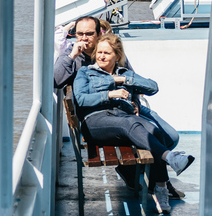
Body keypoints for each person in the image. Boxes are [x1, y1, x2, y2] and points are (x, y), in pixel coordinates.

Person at [54, 16, 184, 199]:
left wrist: (136, 103)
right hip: (100, 115)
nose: (83, 38)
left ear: (98, 34)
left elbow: (134, 81)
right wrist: (71, 56)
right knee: (142, 132)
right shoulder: (74, 57)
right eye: (79, 34)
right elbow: (57, 80)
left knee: (170, 136)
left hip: (127, 108)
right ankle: (156, 182)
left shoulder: (111, 50)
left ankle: (133, 171)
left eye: (89, 34)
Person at [72, 34, 194, 213]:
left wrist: (123, 80)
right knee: (129, 123)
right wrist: (109, 94)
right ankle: (170, 158)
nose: (101, 56)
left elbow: (153, 87)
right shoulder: (86, 72)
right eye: (99, 52)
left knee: (153, 130)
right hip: (96, 122)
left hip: (123, 120)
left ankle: (160, 190)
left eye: (107, 53)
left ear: (117, 56)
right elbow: (81, 99)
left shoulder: (125, 73)